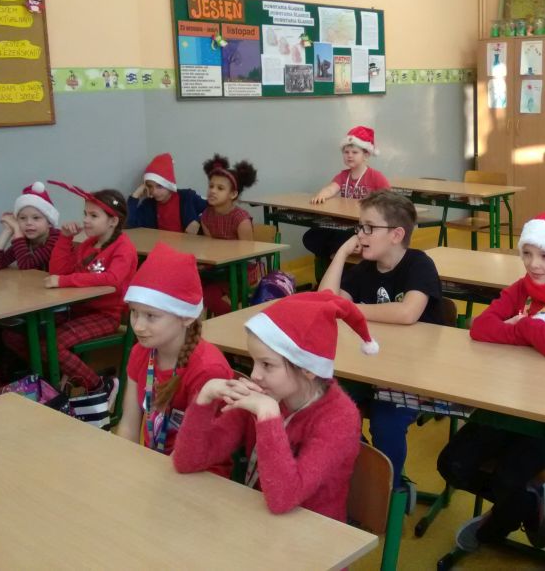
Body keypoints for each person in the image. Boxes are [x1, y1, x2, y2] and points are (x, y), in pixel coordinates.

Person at [437, 211, 545, 553]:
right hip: (504, 403)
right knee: (451, 464)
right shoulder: (519, 290)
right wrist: (536, 329)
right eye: (527, 253)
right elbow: (480, 329)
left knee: (507, 478)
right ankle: (528, 505)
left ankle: (495, 526)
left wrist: (520, 325)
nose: (533, 264)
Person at [173, 292, 370, 521]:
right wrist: (204, 399)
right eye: (253, 361)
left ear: (308, 369)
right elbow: (187, 461)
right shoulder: (265, 393)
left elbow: (283, 498)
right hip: (261, 518)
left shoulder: (339, 418)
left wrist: (268, 416)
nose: (255, 375)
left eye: (267, 364)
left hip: (313, 531)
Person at [318, 190, 442, 497]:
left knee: (386, 425)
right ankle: (365, 477)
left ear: (396, 235)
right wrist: (342, 253)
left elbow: (407, 312)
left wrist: (351, 310)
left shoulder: (419, 264)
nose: (360, 234)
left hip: (411, 375)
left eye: (369, 227)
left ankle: (390, 491)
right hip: (368, 370)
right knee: (325, 405)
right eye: (359, 227)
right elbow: (326, 302)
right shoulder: (364, 269)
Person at [4, 182, 137, 400]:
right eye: (85, 214)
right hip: (76, 310)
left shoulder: (123, 247)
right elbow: (59, 271)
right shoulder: (88, 244)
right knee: (15, 335)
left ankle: (100, 385)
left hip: (106, 315)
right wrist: (65, 238)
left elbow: (112, 280)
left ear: (113, 221)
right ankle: (52, 379)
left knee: (51, 345)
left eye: (93, 216)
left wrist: (64, 281)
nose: (85, 220)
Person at [117, 242, 233, 475]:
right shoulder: (141, 352)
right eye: (134, 313)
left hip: (200, 475)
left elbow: (197, 451)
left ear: (186, 317)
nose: (138, 326)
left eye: (151, 316)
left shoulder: (207, 369)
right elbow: (128, 425)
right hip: (154, 466)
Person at [303, 126, 390, 261]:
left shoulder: (375, 176)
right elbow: (331, 188)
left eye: (355, 152)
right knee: (311, 237)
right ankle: (335, 258)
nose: (349, 155)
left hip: (362, 226)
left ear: (366, 155)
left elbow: (389, 199)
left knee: (339, 240)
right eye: (346, 152)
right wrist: (322, 195)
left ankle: (340, 259)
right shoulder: (343, 175)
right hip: (342, 223)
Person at [200, 154, 258, 315]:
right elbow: (209, 246)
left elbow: (248, 254)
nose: (212, 191)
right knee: (188, 285)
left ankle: (231, 321)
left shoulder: (241, 219)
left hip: (240, 272)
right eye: (211, 186)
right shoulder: (206, 216)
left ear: (233, 194)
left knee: (209, 296)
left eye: (220, 188)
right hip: (217, 269)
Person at [0, 181, 60, 271]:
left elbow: (26, 266)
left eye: (36, 218)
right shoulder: (25, 241)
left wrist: (17, 230)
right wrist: (7, 230)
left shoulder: (56, 239)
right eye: (22, 218)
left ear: (49, 222)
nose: (28, 223)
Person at [126, 153, 206, 233]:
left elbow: (211, 208)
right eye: (150, 186)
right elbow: (128, 224)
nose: (154, 192)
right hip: (159, 241)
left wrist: (198, 221)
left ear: (169, 184)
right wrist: (136, 195)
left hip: (185, 241)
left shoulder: (187, 197)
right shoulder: (148, 205)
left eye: (159, 186)